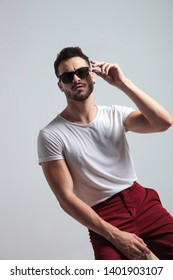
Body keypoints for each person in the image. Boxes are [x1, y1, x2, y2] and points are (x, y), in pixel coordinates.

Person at [37, 46, 173, 260]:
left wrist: (123, 83)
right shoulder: (51, 135)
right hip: (103, 217)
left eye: (82, 72)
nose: (76, 79)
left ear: (92, 75)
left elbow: (164, 122)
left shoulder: (115, 114)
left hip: (142, 202)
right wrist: (115, 234)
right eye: (67, 76)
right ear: (60, 85)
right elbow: (66, 198)